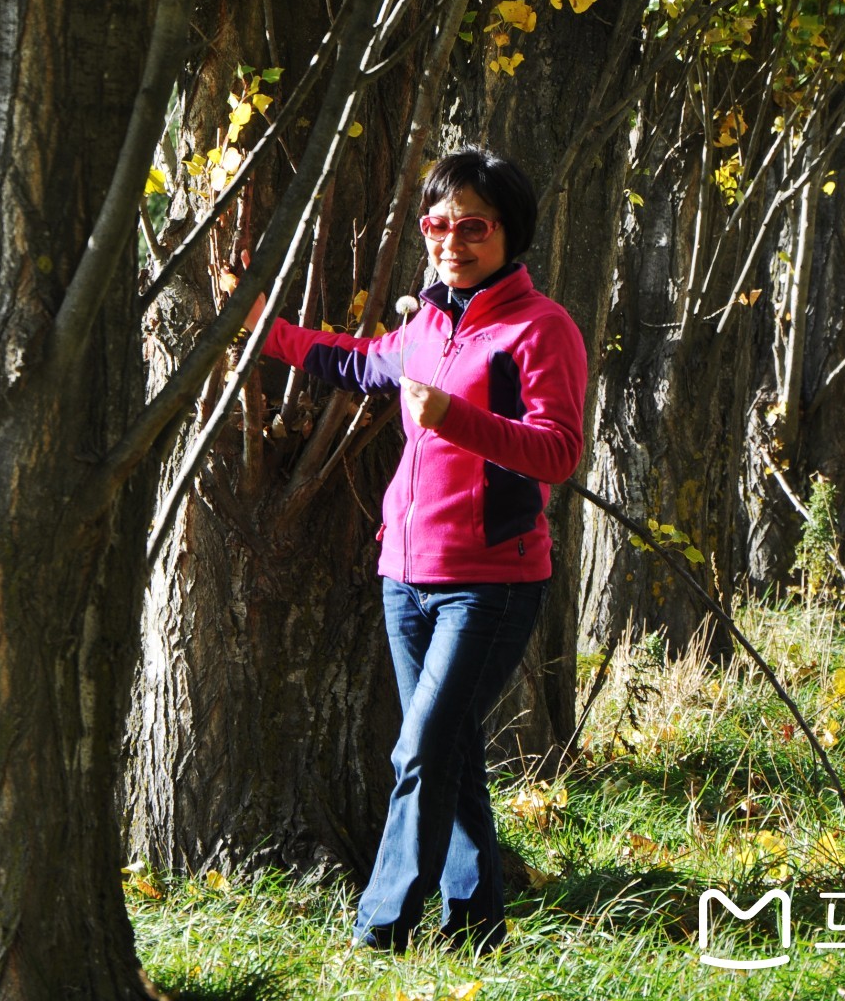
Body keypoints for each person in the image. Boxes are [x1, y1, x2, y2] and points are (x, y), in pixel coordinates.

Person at [241, 146, 587, 953]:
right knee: (452, 751)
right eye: (439, 224)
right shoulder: (428, 324)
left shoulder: (541, 330)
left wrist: (453, 419)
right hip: (405, 577)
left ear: (510, 233)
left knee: (422, 746)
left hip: (492, 583)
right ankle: (477, 932)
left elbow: (559, 451)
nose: (452, 241)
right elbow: (358, 363)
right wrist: (264, 330)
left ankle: (379, 930)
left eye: (473, 226)